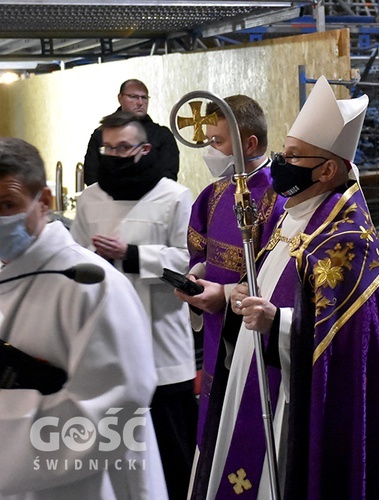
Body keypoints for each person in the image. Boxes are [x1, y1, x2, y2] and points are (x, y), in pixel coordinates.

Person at [192, 76, 379, 499]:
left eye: (292, 156)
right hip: (258, 367)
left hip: (295, 396)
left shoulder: (346, 239)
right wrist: (238, 297)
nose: (280, 163)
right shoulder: (298, 211)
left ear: (327, 169)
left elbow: (349, 345)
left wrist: (280, 323)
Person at [0, 137, 167, 498]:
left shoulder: (91, 285)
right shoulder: (9, 272)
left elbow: (114, 413)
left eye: (7, 205)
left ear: (43, 201)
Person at [70, 112, 196, 500]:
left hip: (163, 348)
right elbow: (71, 261)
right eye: (107, 147)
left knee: (173, 458)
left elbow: (188, 261)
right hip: (107, 348)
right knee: (120, 459)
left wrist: (133, 254)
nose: (113, 154)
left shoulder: (174, 196)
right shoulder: (89, 199)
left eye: (122, 147)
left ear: (143, 149)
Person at [175, 94, 283, 452]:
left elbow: (277, 276)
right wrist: (196, 278)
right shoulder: (213, 194)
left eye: (217, 142)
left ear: (248, 142)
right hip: (216, 331)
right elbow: (198, 251)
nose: (211, 151)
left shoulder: (279, 199)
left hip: (255, 336)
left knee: (248, 434)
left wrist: (221, 295)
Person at [82, 79, 179, 185]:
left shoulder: (162, 135)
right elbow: (91, 175)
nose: (140, 102)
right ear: (120, 98)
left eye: (144, 97)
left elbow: (169, 176)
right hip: (108, 199)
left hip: (152, 199)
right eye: (133, 97)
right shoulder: (102, 134)